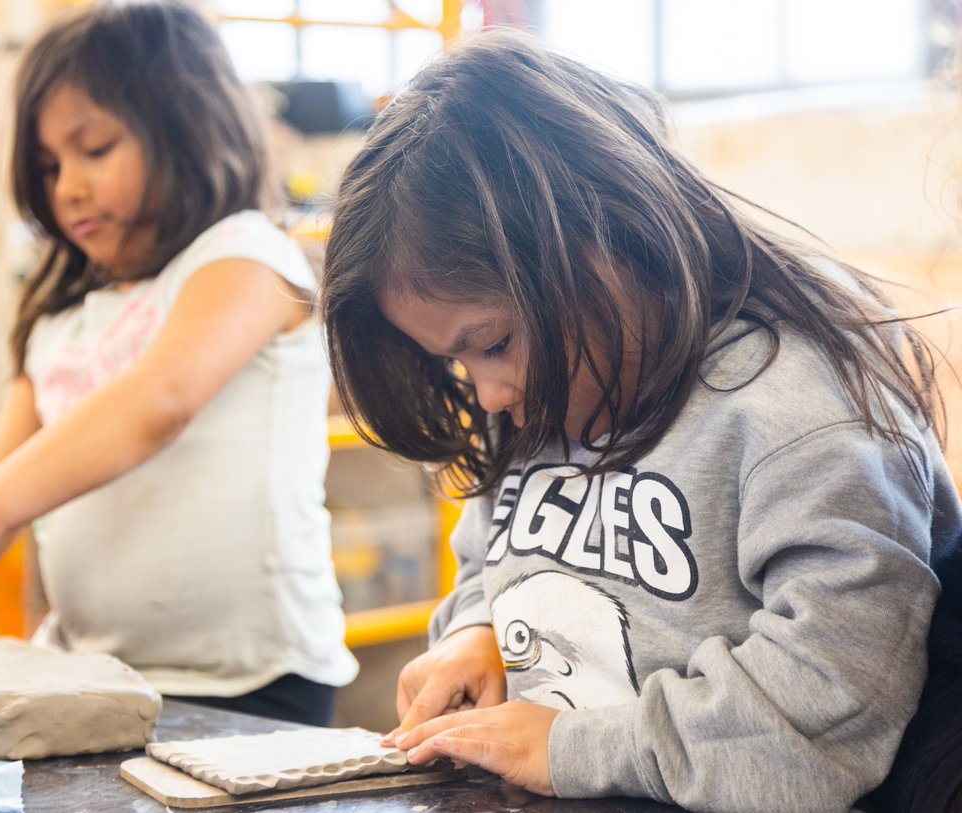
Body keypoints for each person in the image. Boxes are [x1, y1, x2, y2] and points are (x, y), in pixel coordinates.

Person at [320, 29, 962, 812]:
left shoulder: (796, 407)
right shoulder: (549, 380)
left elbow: (828, 704)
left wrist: (568, 749)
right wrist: (479, 630)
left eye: (491, 344)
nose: (487, 395)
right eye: (460, 363)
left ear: (606, 239)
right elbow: (498, 557)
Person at [0, 0, 357, 726]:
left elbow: (160, 400)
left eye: (94, 150)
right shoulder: (59, 318)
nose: (66, 185)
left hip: (254, 679)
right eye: (49, 164)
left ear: (188, 128)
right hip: (91, 677)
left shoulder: (248, 258)